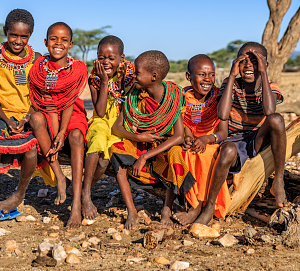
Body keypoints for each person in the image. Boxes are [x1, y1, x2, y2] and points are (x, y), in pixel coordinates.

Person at [194, 42, 287, 225]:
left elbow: (269, 111)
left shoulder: (270, 86)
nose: (248, 65)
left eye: (255, 60)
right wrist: (231, 75)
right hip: (235, 141)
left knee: (277, 119)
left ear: (264, 64)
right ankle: (210, 206)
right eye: (243, 60)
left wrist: (264, 73)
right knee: (227, 151)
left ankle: (279, 181)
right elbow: (222, 114)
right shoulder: (232, 84)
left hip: (259, 138)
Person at [0, 9, 45, 220]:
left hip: (27, 114)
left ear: (30, 35)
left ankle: (19, 194)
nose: (18, 41)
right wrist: (7, 120)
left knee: (30, 150)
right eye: (13, 35)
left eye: (24, 36)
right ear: (5, 31)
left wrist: (27, 118)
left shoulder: (36, 58)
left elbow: (37, 95)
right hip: (2, 115)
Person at [110, 50, 185, 229]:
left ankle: (166, 209)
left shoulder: (173, 97)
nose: (133, 76)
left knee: (175, 154)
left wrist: (145, 157)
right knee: (116, 149)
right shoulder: (135, 96)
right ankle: (132, 211)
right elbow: (116, 128)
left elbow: (179, 136)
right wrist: (138, 136)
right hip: (142, 142)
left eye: (137, 72)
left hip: (164, 147)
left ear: (154, 76)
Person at [28, 22, 89, 228]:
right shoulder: (39, 68)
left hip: (72, 113)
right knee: (35, 119)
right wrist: (55, 130)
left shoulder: (78, 68)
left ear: (70, 44)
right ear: (46, 42)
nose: (58, 43)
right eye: (53, 39)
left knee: (76, 137)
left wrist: (62, 131)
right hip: (48, 111)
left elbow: (70, 101)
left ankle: (76, 204)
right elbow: (45, 102)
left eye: (64, 40)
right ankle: (60, 176)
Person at [162, 54, 231, 226]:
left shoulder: (219, 98)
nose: (208, 79)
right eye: (202, 74)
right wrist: (187, 137)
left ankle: (197, 206)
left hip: (212, 141)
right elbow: (183, 122)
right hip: (191, 141)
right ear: (188, 76)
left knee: (205, 155)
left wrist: (207, 138)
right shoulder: (183, 96)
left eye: (212, 74)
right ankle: (176, 205)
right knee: (178, 153)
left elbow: (224, 132)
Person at [82, 35, 135, 220]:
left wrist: (120, 83)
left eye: (111, 58)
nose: (106, 62)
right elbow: (101, 111)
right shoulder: (95, 77)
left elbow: (130, 101)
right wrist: (105, 82)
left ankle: (83, 187)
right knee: (97, 141)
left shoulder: (130, 75)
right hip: (101, 121)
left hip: (120, 123)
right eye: (101, 57)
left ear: (121, 58)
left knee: (104, 161)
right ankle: (86, 194)